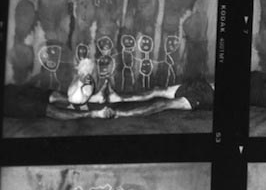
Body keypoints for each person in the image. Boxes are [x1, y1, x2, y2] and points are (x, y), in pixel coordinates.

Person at [4, 58, 214, 120]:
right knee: (159, 90)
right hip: (203, 87)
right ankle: (111, 102)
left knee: (163, 103)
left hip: (207, 95)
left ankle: (115, 112)